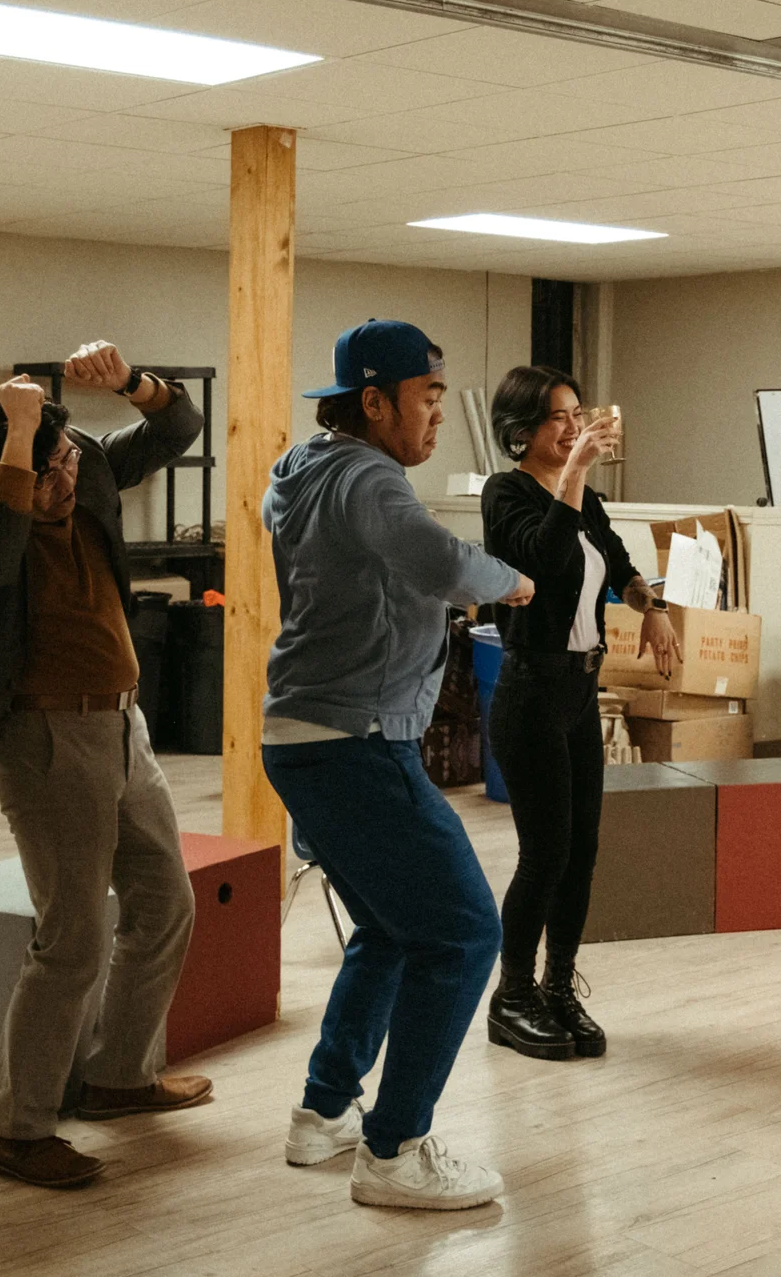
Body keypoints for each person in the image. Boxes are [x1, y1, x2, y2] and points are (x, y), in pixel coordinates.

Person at [0, 342, 212, 1188]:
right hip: (41, 738)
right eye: (51, 469)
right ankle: (16, 1130)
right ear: (9, 469)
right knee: (71, 936)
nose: (71, 478)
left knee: (163, 902)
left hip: (121, 724)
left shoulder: (90, 470)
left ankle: (118, 1078)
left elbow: (178, 423)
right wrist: (20, 445)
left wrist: (135, 384)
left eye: (71, 458)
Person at [262, 320, 534, 1210]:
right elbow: (432, 556)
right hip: (356, 744)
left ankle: (325, 1112)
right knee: (462, 934)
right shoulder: (368, 474)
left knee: (389, 926)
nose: (434, 420)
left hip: (308, 736)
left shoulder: (304, 473)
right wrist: (507, 581)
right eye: (425, 399)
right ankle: (394, 1149)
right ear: (372, 401)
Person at [480, 366, 679, 1061]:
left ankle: (558, 985)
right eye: (558, 418)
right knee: (544, 854)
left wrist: (650, 611)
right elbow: (541, 556)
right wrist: (570, 475)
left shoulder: (584, 496)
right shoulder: (506, 494)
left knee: (582, 852)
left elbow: (619, 564)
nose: (573, 427)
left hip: (577, 694)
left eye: (575, 414)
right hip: (529, 691)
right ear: (521, 432)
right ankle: (511, 996)